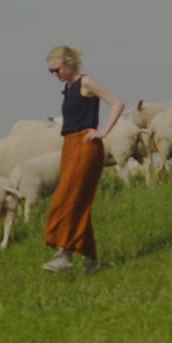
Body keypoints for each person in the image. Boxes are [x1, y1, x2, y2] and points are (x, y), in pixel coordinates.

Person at [42, 45, 124, 273]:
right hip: (69, 146)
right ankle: (90, 259)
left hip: (85, 146)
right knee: (76, 199)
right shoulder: (68, 88)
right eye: (51, 71)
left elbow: (117, 102)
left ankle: (64, 254)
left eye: (56, 69)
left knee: (67, 199)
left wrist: (103, 132)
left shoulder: (86, 83)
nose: (54, 75)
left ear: (68, 64)